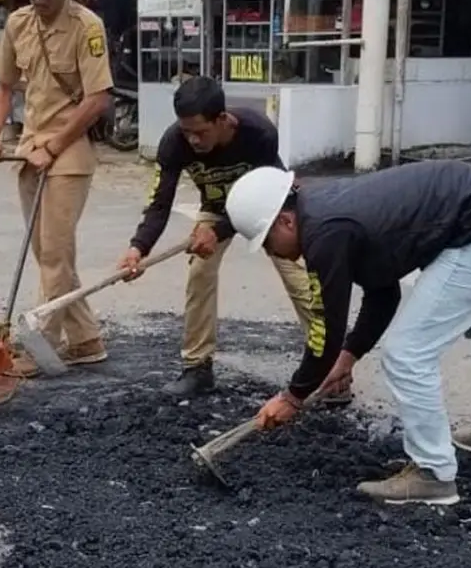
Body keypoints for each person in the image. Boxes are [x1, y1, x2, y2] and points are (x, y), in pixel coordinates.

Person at [226, 160, 471, 506]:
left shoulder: (324, 232)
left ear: (285, 220)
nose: (272, 253)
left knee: (407, 353)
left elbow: (326, 327)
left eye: (267, 242)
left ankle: (433, 473)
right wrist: (348, 357)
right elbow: (383, 292)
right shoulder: (324, 209)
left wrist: (293, 395)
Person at [116, 76, 330, 399]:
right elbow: (159, 203)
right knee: (200, 273)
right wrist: (138, 247)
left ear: (223, 119)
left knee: (299, 278)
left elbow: (267, 194)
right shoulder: (174, 143)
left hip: (269, 207)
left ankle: (329, 368)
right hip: (216, 208)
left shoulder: (259, 134)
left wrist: (216, 232)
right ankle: (197, 367)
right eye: (186, 131)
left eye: (200, 132)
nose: (193, 140)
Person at [0, 0, 113, 378]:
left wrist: (55, 144)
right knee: (48, 254)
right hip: (29, 148)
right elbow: (2, 85)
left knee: (54, 253)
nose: (39, 0)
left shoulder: (87, 27)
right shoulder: (18, 23)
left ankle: (41, 343)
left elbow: (96, 100)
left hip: (69, 150)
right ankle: (87, 340)